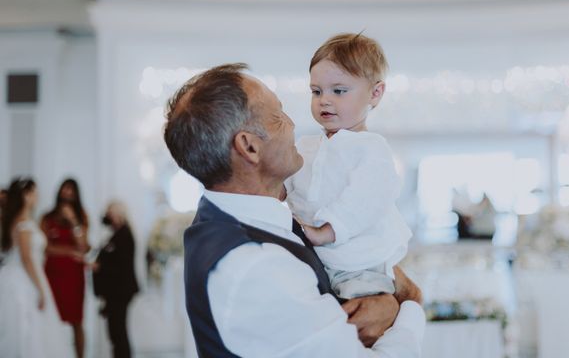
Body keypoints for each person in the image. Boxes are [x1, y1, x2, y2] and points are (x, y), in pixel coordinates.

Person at [164, 63, 424, 357]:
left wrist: (385, 299)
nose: (293, 124)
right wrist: (410, 307)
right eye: (278, 117)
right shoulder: (254, 266)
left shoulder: (256, 218)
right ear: (249, 147)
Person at [285, 33, 412, 299]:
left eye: (339, 91)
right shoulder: (307, 146)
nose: (325, 100)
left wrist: (325, 232)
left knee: (360, 315)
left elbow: (365, 200)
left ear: (375, 93)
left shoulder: (371, 149)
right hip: (317, 258)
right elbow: (284, 180)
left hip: (360, 262)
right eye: (316, 91)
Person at [0, 178, 73, 357]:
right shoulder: (22, 224)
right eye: (34, 193)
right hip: (22, 279)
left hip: (28, 275)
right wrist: (40, 288)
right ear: (25, 196)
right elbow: (26, 259)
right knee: (25, 325)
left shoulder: (25, 221)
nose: (37, 196)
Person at [41, 178, 90, 358]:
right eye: (65, 189)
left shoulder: (82, 216)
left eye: (71, 190)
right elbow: (45, 247)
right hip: (53, 274)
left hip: (74, 276)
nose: (67, 193)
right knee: (51, 318)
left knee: (77, 320)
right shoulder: (47, 218)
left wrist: (73, 221)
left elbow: (83, 246)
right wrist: (70, 251)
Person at [92, 201, 139, 358]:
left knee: (118, 331)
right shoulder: (115, 234)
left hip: (120, 292)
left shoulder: (124, 234)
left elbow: (122, 265)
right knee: (115, 332)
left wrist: (100, 267)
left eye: (110, 213)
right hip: (113, 292)